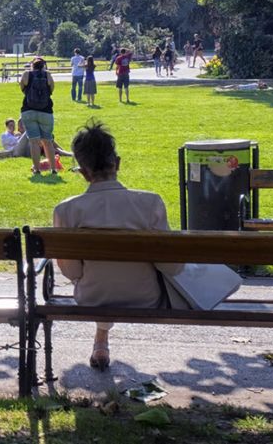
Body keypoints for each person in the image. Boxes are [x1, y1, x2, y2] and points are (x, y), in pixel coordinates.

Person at [53, 121, 181, 371]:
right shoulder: (150, 203)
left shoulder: (66, 210)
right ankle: (101, 340)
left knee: (104, 279)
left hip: (91, 298)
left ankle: (101, 340)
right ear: (117, 163)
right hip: (145, 298)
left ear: (83, 172)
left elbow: (72, 272)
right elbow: (170, 266)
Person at [19, 57, 56, 177]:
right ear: (43, 65)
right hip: (46, 111)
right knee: (48, 141)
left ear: (32, 65)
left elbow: (22, 87)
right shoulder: (47, 75)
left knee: (34, 142)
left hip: (28, 110)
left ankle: (37, 169)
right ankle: (53, 169)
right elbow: (51, 89)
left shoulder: (26, 74)